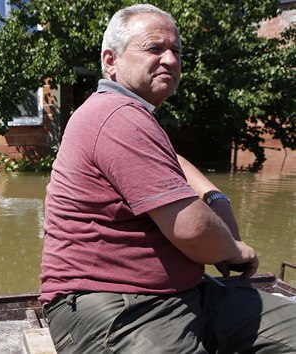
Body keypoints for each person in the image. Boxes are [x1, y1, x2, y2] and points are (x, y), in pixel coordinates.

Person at [39, 4, 296, 353]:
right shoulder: (117, 116)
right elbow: (193, 230)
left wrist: (217, 197)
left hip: (186, 292)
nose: (171, 60)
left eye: (176, 51)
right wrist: (235, 250)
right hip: (118, 306)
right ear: (111, 61)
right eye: (155, 48)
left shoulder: (131, 116)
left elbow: (171, 160)